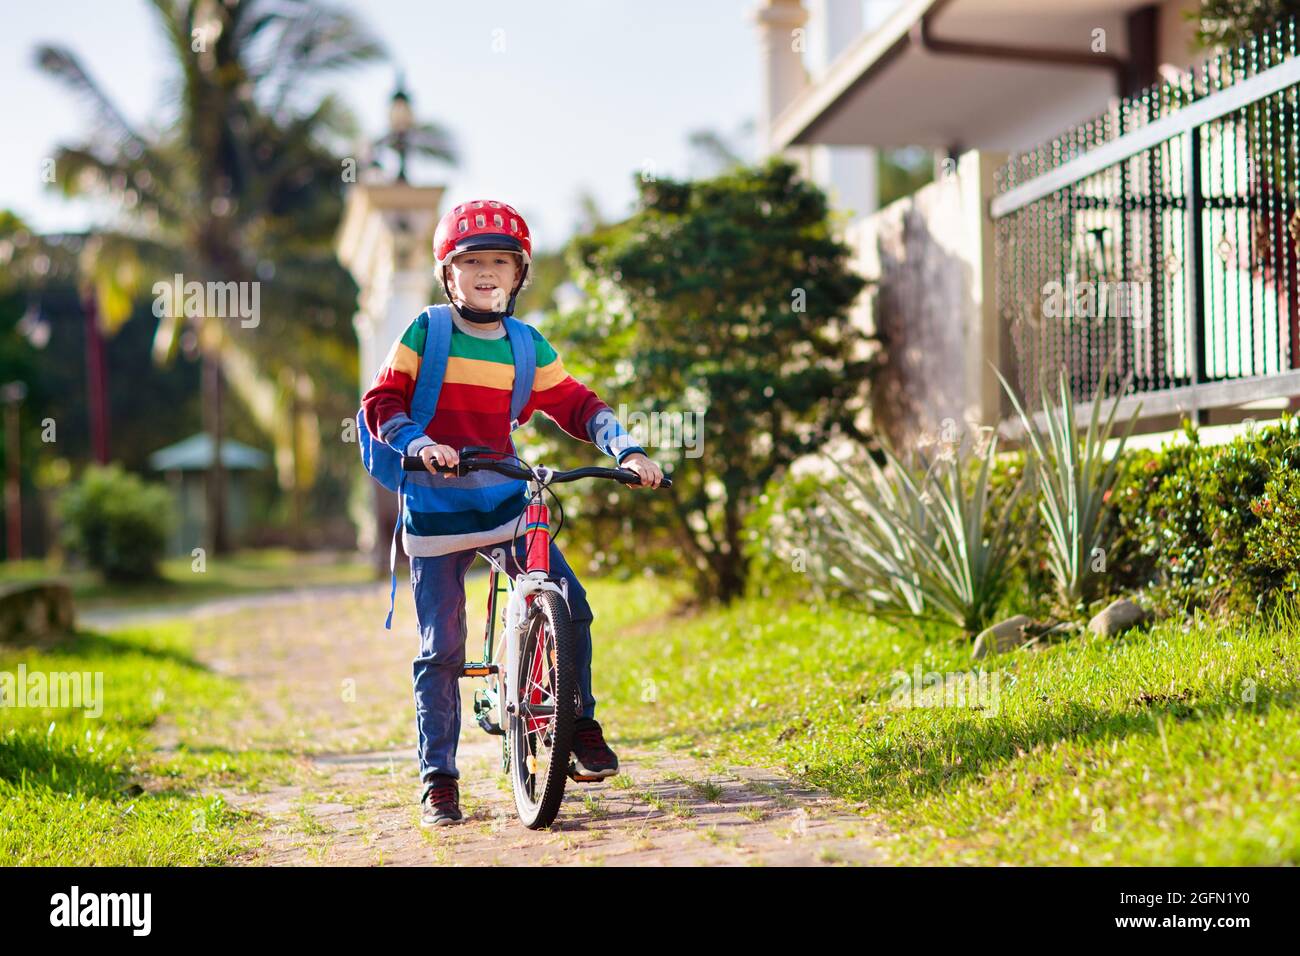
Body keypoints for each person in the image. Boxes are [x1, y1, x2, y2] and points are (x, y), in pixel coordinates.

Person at [361, 199, 664, 826]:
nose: (486, 272)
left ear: (520, 273)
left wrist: (628, 450)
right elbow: (382, 402)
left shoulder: (525, 345)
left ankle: (576, 720)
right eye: (471, 262)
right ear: (449, 274)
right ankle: (438, 779)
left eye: (501, 261)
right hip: (436, 506)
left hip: (504, 496)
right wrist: (421, 445)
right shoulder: (427, 330)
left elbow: (578, 405)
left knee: (569, 602)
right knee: (443, 649)